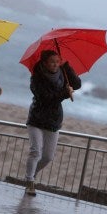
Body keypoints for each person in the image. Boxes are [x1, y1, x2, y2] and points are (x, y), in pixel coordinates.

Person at [24, 50, 81, 196]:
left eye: (57, 61)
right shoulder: (36, 77)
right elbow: (46, 98)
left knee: (48, 156)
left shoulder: (63, 73)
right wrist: (64, 93)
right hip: (37, 119)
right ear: (44, 63)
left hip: (54, 120)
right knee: (35, 151)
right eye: (52, 62)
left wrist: (68, 67)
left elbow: (77, 84)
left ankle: (31, 175)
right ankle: (29, 181)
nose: (55, 64)